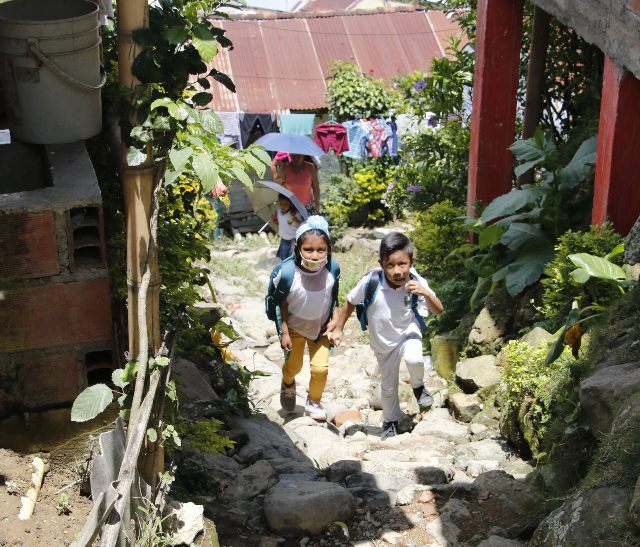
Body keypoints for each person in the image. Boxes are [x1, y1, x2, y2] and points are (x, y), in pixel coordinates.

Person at [330, 232, 444, 440]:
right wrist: (339, 328)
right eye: (390, 265)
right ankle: (390, 421)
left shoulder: (417, 281)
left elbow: (439, 310)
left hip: (408, 333)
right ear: (381, 264)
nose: (397, 271)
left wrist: (425, 293)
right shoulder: (370, 282)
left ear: (411, 262)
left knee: (414, 358)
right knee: (388, 387)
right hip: (382, 343)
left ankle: (418, 387)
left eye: (402, 264)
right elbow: (349, 302)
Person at [274, 216, 339, 421]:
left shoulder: (332, 271)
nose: (315, 255)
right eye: (308, 250)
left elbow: (334, 298)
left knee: (320, 369)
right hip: (293, 329)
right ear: (298, 248)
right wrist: (284, 332)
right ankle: (287, 382)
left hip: (321, 329)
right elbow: (282, 304)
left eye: (321, 250)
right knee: (294, 367)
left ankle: (314, 401)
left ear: (328, 249)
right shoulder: (288, 274)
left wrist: (336, 321)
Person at [273, 194, 301, 261]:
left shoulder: (293, 213)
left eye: (286, 204)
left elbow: (300, 224)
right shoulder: (278, 211)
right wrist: (274, 219)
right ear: (278, 202)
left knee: (290, 257)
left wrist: (296, 220)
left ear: (290, 204)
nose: (283, 206)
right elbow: (278, 223)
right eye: (281, 204)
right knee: (283, 256)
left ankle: (290, 268)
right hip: (283, 237)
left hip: (292, 239)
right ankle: (284, 267)